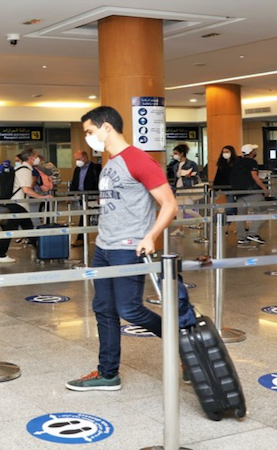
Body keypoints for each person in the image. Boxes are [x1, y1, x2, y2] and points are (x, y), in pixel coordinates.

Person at [65, 106, 195, 392]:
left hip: (129, 247)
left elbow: (170, 204)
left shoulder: (138, 159)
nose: (88, 138)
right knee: (104, 308)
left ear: (106, 127)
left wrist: (151, 236)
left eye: (89, 131)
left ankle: (187, 348)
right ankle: (108, 373)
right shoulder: (111, 162)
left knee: (130, 309)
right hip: (104, 246)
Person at [0, 148, 53, 263]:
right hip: (18, 204)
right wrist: (41, 197)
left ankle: (43, 252)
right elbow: (26, 189)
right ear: (31, 158)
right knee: (12, 229)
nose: (37, 159)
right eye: (36, 156)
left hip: (18, 204)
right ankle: (0, 254)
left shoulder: (21, 168)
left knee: (28, 229)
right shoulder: (25, 170)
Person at [229, 144, 271, 245]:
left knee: (241, 216)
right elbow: (254, 176)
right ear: (251, 152)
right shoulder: (252, 162)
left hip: (238, 193)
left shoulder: (237, 162)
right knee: (262, 211)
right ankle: (253, 233)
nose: (256, 152)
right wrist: (265, 188)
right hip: (251, 191)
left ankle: (241, 237)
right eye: (254, 150)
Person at [168, 144, 202, 237]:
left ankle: (202, 221)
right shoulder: (176, 165)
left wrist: (190, 175)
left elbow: (196, 175)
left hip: (187, 188)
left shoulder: (191, 164)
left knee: (188, 210)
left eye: (176, 153)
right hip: (179, 187)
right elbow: (176, 176)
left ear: (181, 153)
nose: (174, 155)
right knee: (178, 210)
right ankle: (180, 229)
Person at [70, 150, 101, 247]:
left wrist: (100, 194)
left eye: (79, 159)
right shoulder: (77, 169)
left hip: (94, 197)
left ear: (85, 157)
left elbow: (100, 181)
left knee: (97, 217)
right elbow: (74, 183)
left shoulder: (96, 168)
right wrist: (71, 196)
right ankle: (81, 238)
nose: (77, 161)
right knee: (84, 217)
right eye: (76, 159)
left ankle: (101, 237)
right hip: (82, 197)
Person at [214, 145, 238, 216]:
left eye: (227, 151)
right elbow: (218, 176)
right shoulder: (222, 164)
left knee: (230, 206)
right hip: (226, 187)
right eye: (223, 152)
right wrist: (216, 188)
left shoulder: (236, 163)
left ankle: (227, 222)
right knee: (232, 204)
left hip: (234, 187)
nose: (225, 153)